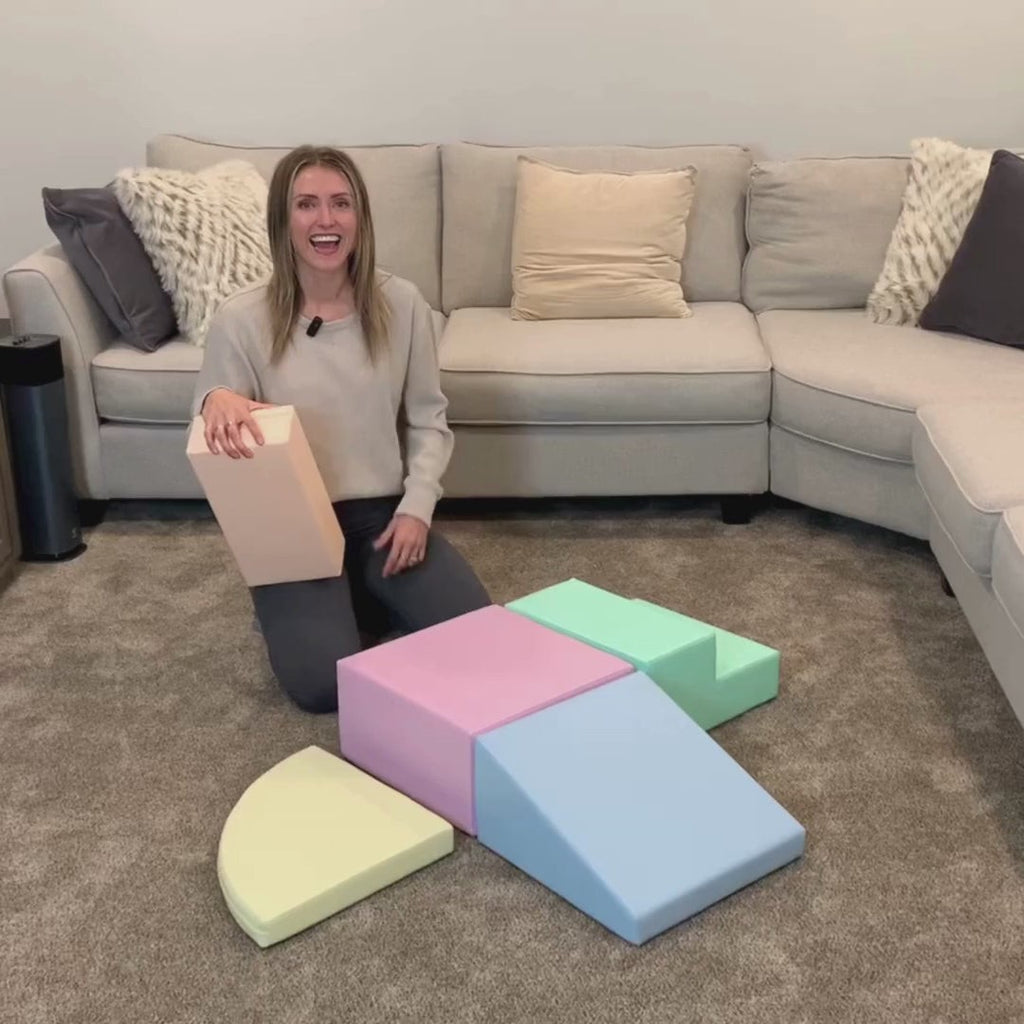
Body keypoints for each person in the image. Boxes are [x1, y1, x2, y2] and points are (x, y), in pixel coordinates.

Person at [191, 144, 492, 713]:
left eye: (341, 203)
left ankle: (358, 591)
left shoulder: (402, 303)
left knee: (478, 635)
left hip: (382, 517)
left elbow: (428, 419)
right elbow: (213, 406)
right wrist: (215, 398)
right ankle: (322, 600)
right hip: (294, 525)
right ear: (282, 219)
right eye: (306, 204)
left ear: (360, 217)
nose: (325, 220)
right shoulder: (240, 318)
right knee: (321, 687)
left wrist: (417, 509)